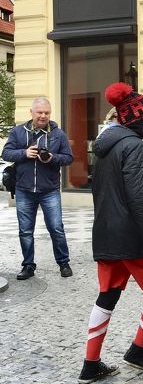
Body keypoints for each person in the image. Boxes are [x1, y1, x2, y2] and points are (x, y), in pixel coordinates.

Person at [79, 82, 143, 384]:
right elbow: (138, 200)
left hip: (106, 233)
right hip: (131, 236)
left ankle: (90, 365)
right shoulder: (135, 146)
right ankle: (138, 350)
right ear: (139, 120)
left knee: (108, 294)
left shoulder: (105, 147)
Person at [2, 97, 73, 280]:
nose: (43, 116)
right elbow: (6, 153)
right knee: (25, 230)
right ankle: (28, 265)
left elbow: (68, 157)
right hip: (24, 190)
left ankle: (63, 263)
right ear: (31, 112)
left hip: (49, 190)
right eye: (39, 112)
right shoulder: (18, 132)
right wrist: (24, 153)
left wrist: (51, 158)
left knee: (56, 228)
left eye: (46, 113)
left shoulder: (58, 134)